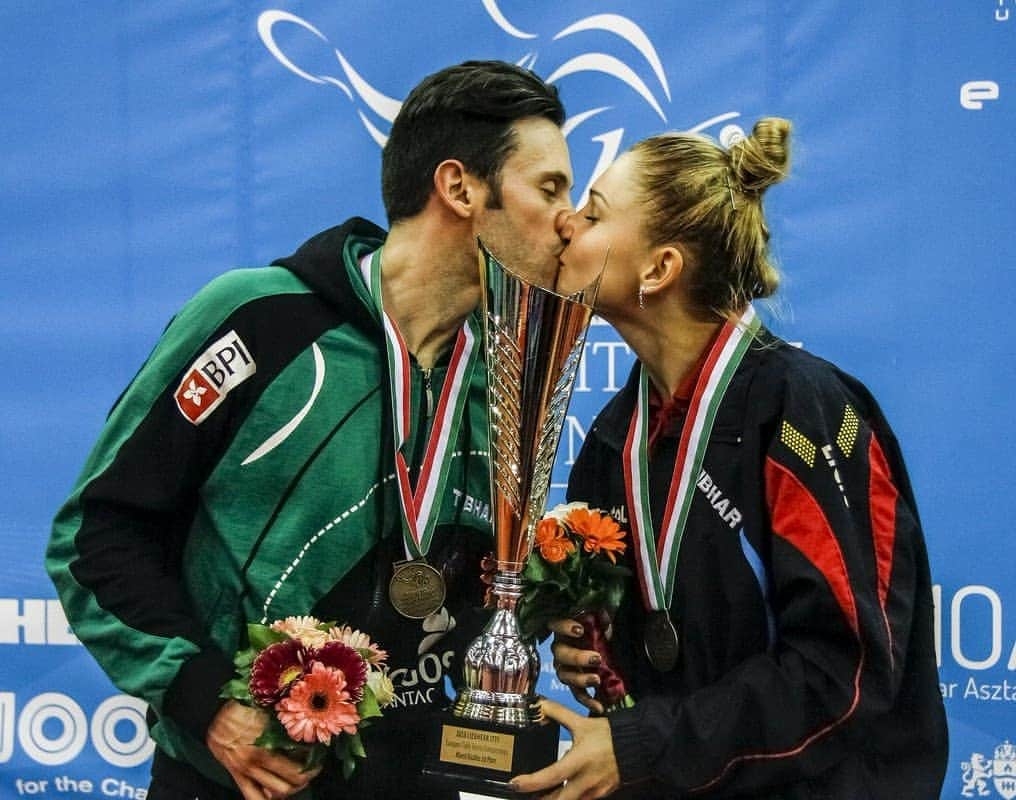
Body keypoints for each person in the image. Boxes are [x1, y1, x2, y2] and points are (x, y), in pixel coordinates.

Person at [46, 60, 573, 800]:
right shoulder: (260, 321)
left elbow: (489, 587)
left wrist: (571, 618)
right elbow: (97, 535)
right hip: (242, 782)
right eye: (550, 188)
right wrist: (204, 702)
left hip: (414, 780)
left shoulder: (509, 377)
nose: (571, 219)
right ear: (460, 188)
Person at [511, 119, 947, 799]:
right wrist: (596, 649)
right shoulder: (613, 435)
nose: (566, 223)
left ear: (659, 269)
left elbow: (843, 674)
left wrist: (644, 742)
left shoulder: (805, 413)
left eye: (594, 213)